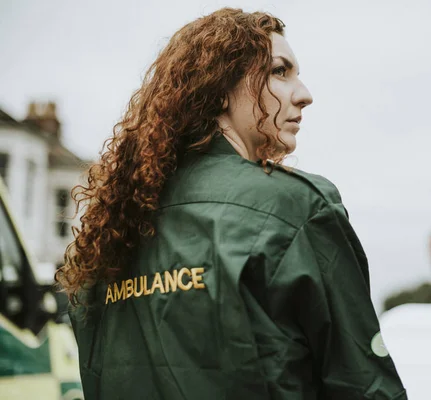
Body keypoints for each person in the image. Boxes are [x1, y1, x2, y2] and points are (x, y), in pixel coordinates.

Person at [56, 8, 407, 400]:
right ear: (220, 88)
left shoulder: (109, 235)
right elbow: (364, 386)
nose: (304, 94)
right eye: (279, 71)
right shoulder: (294, 208)